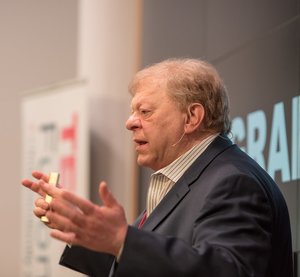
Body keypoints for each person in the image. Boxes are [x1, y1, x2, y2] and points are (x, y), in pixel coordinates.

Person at [22, 58, 293, 277]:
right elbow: (146, 266)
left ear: (191, 118)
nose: (130, 122)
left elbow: (227, 271)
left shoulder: (232, 182)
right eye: (133, 112)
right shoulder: (185, 178)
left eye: (145, 112)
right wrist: (82, 233)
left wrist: (122, 241)